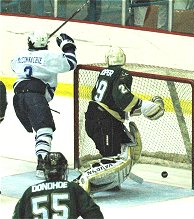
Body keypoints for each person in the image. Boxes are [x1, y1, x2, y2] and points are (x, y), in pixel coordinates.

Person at [80, 46, 164, 193]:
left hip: (97, 118)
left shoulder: (104, 73)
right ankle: (84, 181)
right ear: (123, 58)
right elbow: (121, 96)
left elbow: (111, 101)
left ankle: (109, 182)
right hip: (104, 122)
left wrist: (140, 109)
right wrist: (144, 105)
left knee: (128, 145)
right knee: (114, 159)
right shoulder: (122, 73)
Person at [11, 31, 77, 178]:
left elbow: (14, 67)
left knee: (39, 130)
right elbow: (71, 62)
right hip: (35, 97)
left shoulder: (19, 55)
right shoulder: (50, 57)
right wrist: (68, 45)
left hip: (18, 99)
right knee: (44, 130)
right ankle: (42, 163)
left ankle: (41, 157)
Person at [12, 152, 104, 219]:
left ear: (45, 170)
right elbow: (95, 215)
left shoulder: (30, 192)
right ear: (64, 169)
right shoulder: (73, 188)